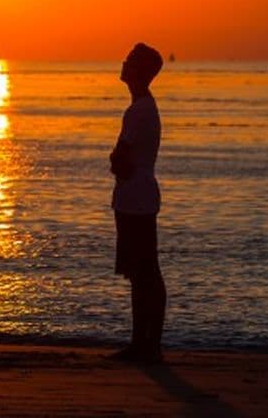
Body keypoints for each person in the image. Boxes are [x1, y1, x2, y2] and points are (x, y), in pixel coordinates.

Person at [108, 42, 166, 364]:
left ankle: (148, 345)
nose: (124, 63)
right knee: (139, 272)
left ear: (140, 71)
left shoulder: (140, 111)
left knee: (145, 272)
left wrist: (116, 158)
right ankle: (142, 343)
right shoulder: (140, 109)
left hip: (137, 198)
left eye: (130, 60)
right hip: (134, 197)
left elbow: (121, 160)